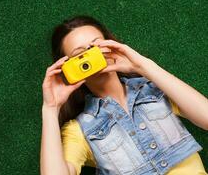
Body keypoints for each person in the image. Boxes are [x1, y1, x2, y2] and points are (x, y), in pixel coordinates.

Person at [40, 15, 208, 175]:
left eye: (96, 46)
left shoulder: (156, 89)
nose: (92, 56)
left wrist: (142, 66)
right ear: (67, 69)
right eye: (79, 55)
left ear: (112, 44)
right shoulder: (80, 129)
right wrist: (50, 108)